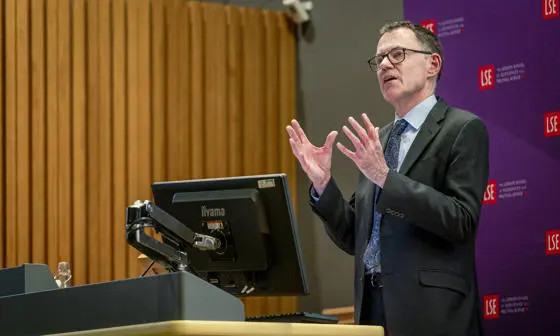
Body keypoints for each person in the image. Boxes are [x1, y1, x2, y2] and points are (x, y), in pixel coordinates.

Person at [286, 20, 489, 336]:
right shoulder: (377, 141)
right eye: (378, 59)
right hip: (372, 310)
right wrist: (323, 183)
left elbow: (461, 220)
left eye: (397, 54)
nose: (383, 65)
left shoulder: (462, 129)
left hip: (432, 313)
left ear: (432, 64)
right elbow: (355, 235)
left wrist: (385, 177)